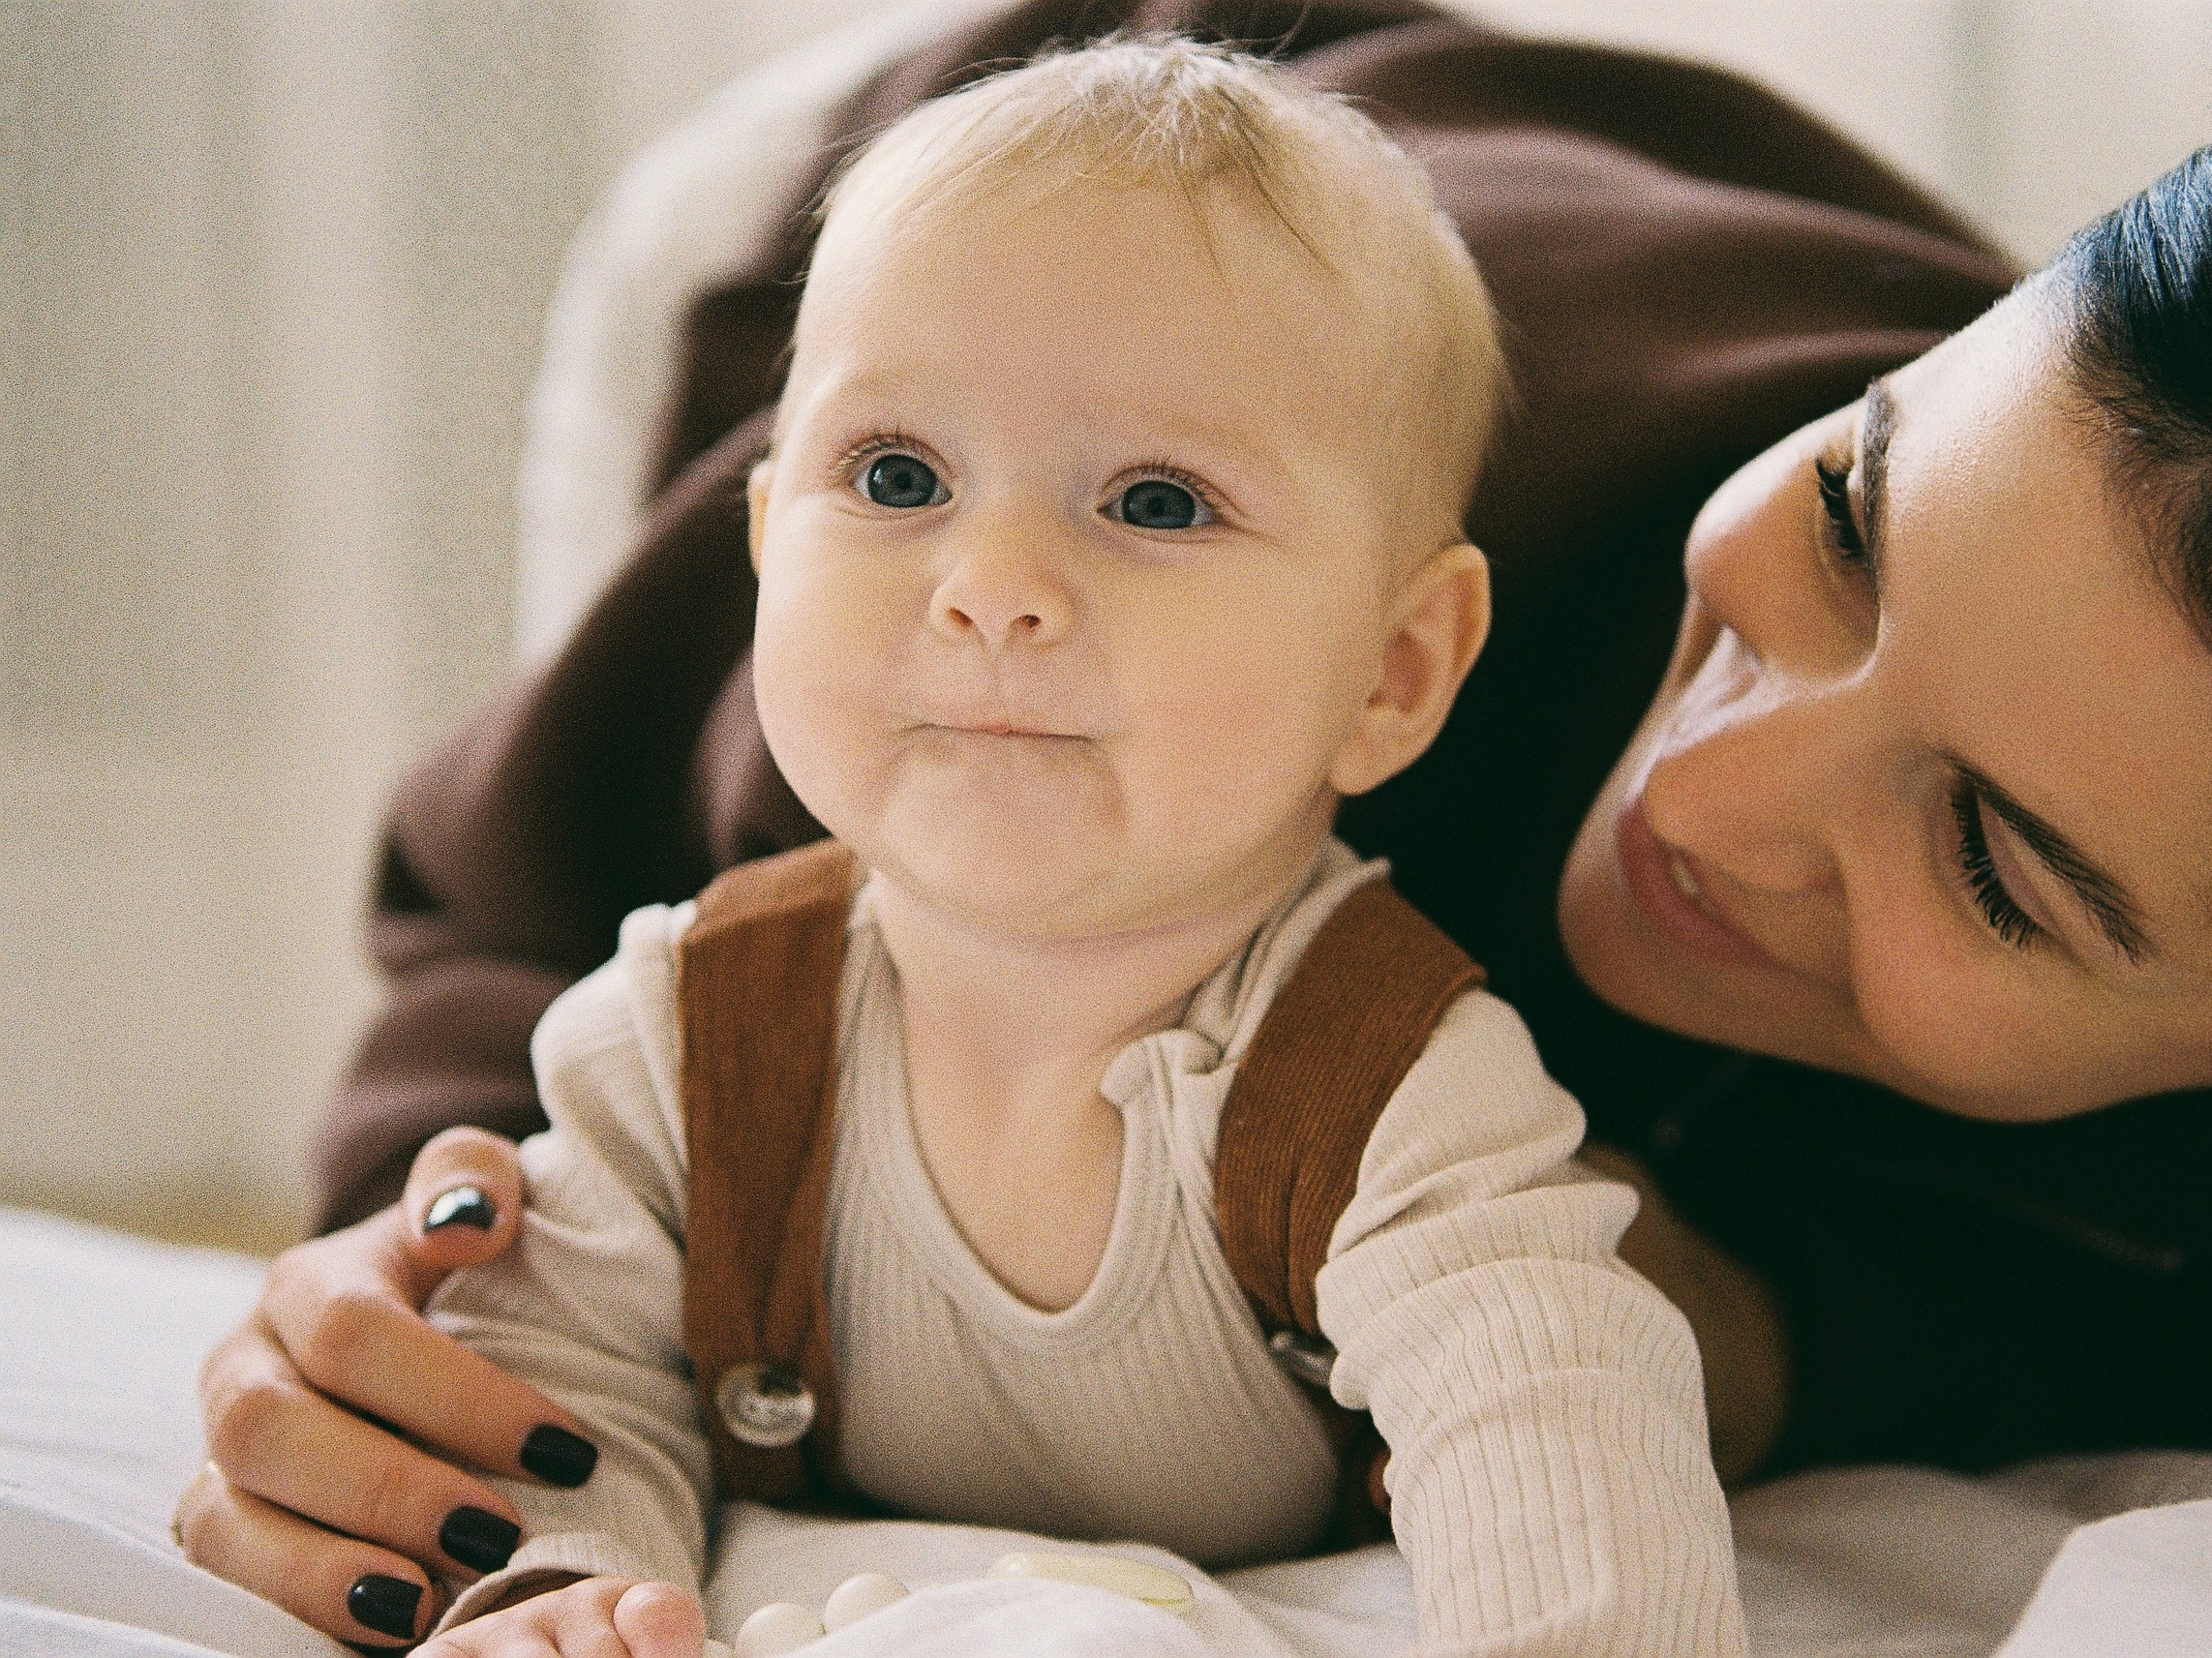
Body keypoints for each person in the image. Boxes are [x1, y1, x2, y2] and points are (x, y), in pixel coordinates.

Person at [176, 1, 2212, 1649]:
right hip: (969, 168)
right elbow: (503, 900)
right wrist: (424, 1283)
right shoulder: (1144, 537)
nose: (1699, 788)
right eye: (1849, 520)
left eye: (1986, 857)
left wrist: (1785, 1322)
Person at [372, 34, 1743, 1658]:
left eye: (1156, 502)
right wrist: (563, 1589)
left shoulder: (1379, 1084)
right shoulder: (693, 1031)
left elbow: (1552, 1409)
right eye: (899, 476)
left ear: (1393, 670)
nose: (994, 585)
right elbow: (559, 1376)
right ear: (764, 549)